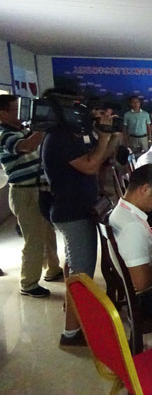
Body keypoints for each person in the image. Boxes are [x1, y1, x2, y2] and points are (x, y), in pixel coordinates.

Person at [41, 89, 121, 346]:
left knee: (73, 267)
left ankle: (73, 313)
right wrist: (104, 137)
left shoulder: (68, 135)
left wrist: (110, 136)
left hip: (76, 208)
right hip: (72, 212)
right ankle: (71, 333)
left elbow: (98, 159)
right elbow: (90, 166)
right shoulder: (59, 137)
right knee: (82, 274)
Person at [0, 95, 62, 298]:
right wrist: (43, 127)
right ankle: (28, 283)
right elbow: (26, 146)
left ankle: (52, 269)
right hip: (24, 192)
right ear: (2, 113)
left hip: (39, 189)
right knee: (34, 239)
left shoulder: (21, 129)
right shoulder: (4, 134)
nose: (20, 113)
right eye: (15, 109)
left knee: (48, 233)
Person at [109, 164, 152, 318]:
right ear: (145, 189)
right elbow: (142, 282)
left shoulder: (123, 211)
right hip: (150, 297)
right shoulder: (132, 227)